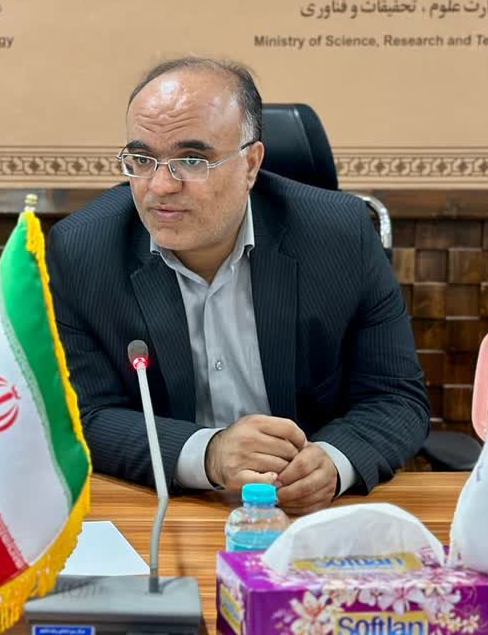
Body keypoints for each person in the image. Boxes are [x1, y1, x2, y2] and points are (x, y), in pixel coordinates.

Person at [46, 57, 429, 514]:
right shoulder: (83, 251)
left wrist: (334, 461)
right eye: (142, 160)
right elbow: (81, 415)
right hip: (170, 510)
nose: (160, 186)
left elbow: (395, 395)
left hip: (308, 515)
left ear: (251, 164)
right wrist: (208, 454)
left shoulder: (340, 235)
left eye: (192, 160)